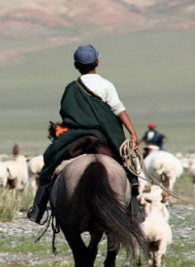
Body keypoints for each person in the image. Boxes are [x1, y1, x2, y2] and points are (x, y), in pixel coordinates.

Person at [27, 44, 141, 224]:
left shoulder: (71, 88)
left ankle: (38, 207)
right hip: (105, 135)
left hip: (76, 135)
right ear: (97, 62)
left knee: (50, 160)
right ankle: (134, 207)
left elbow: (66, 114)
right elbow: (119, 110)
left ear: (76, 65)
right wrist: (133, 134)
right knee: (128, 163)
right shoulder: (106, 85)